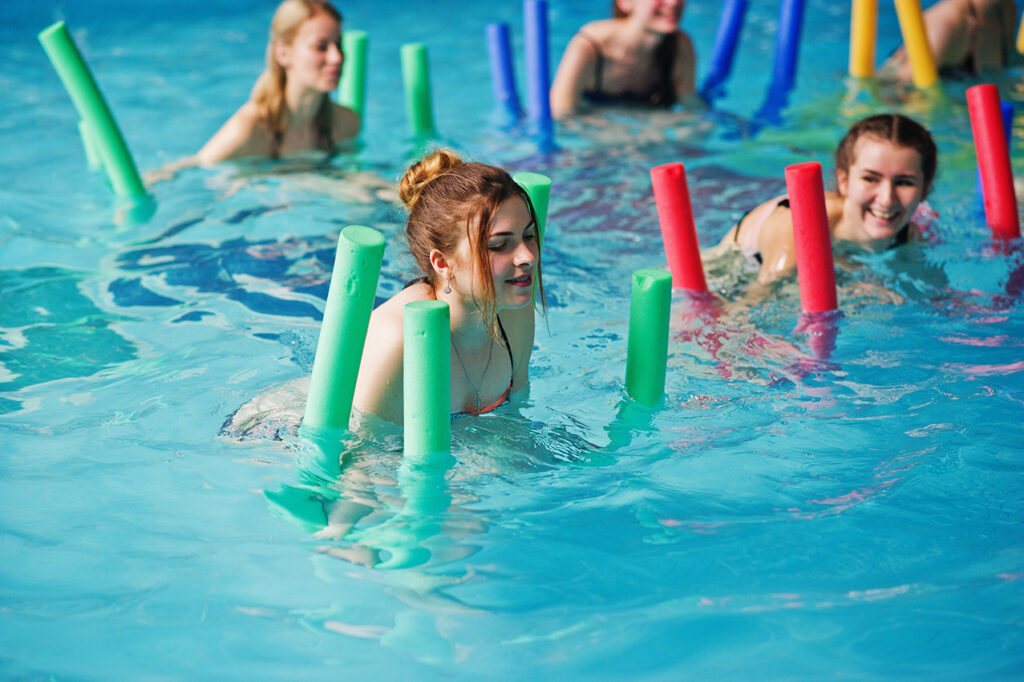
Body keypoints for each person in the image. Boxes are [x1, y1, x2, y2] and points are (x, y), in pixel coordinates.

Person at [351, 149, 545, 425]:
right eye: (499, 245)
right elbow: (360, 460)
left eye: (528, 236)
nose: (527, 257)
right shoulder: (398, 340)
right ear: (443, 263)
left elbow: (518, 413)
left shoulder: (511, 306)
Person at [714, 113, 938, 284]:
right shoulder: (797, 230)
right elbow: (747, 314)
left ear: (925, 188)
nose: (887, 199)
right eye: (871, 179)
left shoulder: (910, 236)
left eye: (904, 183)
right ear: (844, 181)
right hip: (726, 282)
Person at [196, 0, 359, 164]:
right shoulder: (250, 128)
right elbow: (195, 169)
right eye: (321, 47)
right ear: (283, 54)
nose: (337, 57)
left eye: (339, 45)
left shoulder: (345, 124)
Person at [549, 0, 696, 119]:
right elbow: (560, 114)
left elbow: (691, 104)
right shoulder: (590, 47)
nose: (673, 2)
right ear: (625, 2)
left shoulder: (680, 45)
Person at [882, 0, 1019, 80]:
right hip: (897, 86)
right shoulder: (944, 26)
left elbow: (1010, 68)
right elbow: (899, 94)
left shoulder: (1005, 9)